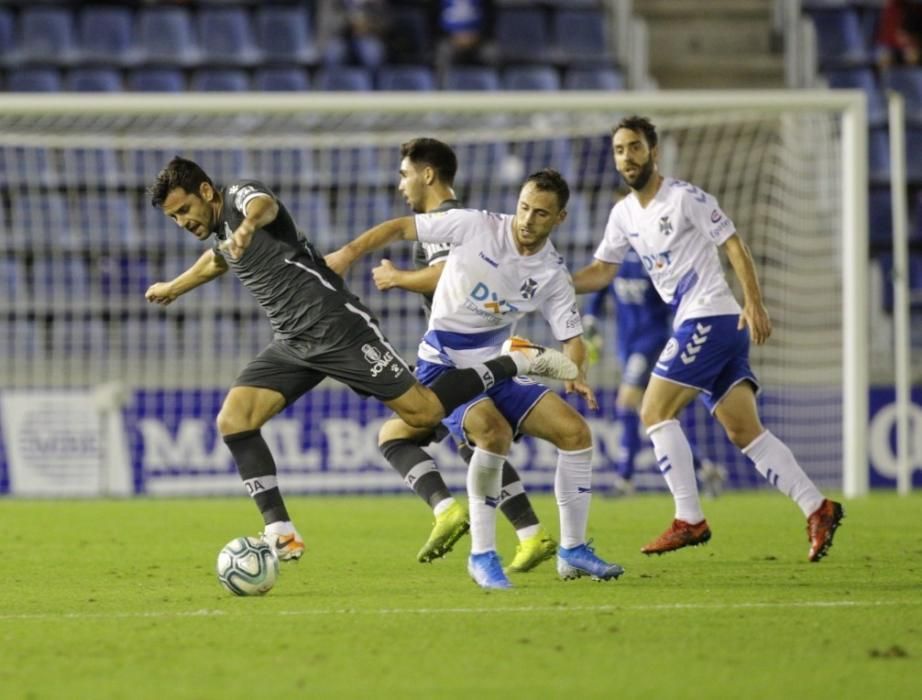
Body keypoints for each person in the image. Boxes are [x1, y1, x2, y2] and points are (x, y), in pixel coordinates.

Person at [144, 156, 578, 562]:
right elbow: (213, 263)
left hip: (335, 325)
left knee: (425, 412)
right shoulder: (222, 235)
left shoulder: (240, 196)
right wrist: (173, 287)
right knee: (234, 420)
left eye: (185, 210)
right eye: (174, 218)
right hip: (293, 340)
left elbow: (264, 204)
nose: (183, 222)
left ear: (206, 191)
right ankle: (281, 532)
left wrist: (246, 227)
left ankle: (514, 361)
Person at [327, 168, 624, 589]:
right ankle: (482, 555)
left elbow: (572, 337)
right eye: (523, 207)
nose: (527, 220)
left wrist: (577, 373)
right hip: (444, 362)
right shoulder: (476, 225)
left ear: (559, 219)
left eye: (540, 214)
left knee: (576, 434)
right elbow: (398, 227)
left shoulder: (552, 273)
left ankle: (572, 551)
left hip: (500, 365)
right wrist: (346, 254)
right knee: (491, 432)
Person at [572, 116, 844, 562]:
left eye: (635, 147)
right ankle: (818, 507)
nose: (627, 157)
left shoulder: (684, 198)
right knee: (744, 431)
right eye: (620, 150)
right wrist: (560, 283)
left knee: (653, 411)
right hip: (709, 325)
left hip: (712, 317)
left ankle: (689, 518)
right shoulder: (622, 214)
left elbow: (733, 244)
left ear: (654, 152)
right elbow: (602, 271)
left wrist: (753, 302)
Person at [373, 137, 558, 572]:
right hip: (480, 354)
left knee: (416, 436)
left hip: (457, 360)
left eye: (405, 174)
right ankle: (529, 534)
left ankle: (454, 514)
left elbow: (441, 276)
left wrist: (398, 277)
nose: (401, 184)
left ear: (428, 175)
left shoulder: (444, 220)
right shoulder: (471, 221)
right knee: (458, 440)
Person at [583, 255, 726, 497]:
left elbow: (677, 302)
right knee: (653, 417)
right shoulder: (615, 260)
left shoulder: (654, 261)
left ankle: (625, 478)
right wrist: (590, 319)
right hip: (626, 346)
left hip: (652, 343)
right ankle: (705, 468)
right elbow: (598, 289)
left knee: (625, 402)